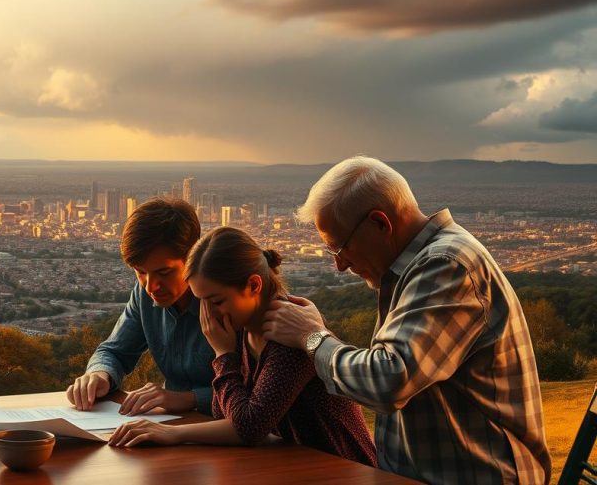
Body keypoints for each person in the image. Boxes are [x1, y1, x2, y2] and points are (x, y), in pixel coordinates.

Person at [262, 156, 551, 484]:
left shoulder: (446, 266)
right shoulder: (417, 267)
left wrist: (312, 337)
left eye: (340, 248)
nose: (340, 265)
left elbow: (389, 379)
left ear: (380, 224)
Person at [108, 227, 377, 467]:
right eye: (202, 302)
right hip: (295, 463)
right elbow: (225, 410)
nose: (209, 315)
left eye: (216, 301)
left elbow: (248, 426)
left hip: (342, 466)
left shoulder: (288, 333)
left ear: (253, 285)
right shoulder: (244, 326)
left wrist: (223, 356)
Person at [66, 198, 216, 415]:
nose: (151, 286)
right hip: (171, 427)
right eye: (140, 272)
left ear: (194, 256)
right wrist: (99, 375)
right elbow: (114, 351)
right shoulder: (144, 294)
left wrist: (188, 399)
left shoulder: (227, 298)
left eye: (164, 273)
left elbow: (255, 392)